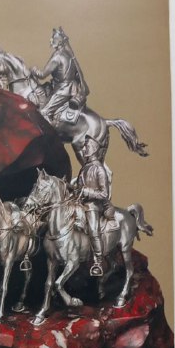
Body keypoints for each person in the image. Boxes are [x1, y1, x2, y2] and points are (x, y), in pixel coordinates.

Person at [31, 27, 89, 123]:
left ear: (59, 42)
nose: (51, 40)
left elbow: (42, 75)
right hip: (71, 88)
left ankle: (50, 132)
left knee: (43, 112)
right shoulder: (69, 55)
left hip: (62, 90)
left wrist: (34, 70)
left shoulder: (57, 57)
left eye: (53, 38)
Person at [76, 135, 111, 277]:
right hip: (80, 204)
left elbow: (104, 194)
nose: (84, 149)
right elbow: (79, 188)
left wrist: (87, 191)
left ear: (94, 149)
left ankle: (98, 262)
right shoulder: (84, 168)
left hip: (93, 206)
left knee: (92, 229)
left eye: (87, 147)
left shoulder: (99, 169)